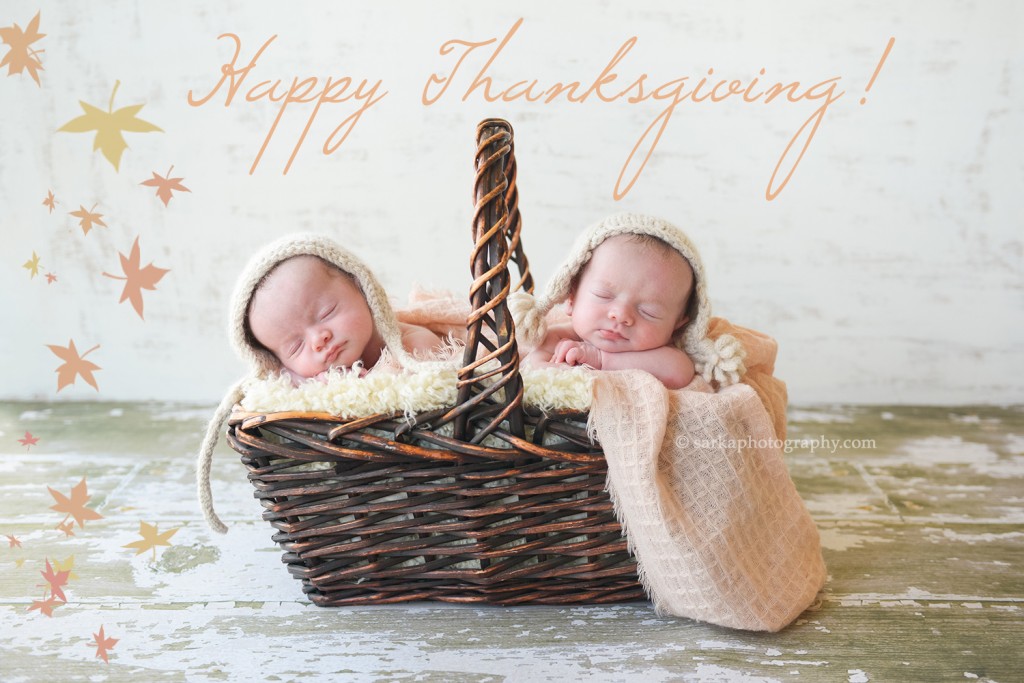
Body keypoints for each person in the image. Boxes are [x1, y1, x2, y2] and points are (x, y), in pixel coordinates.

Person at [513, 213, 746, 390]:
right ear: (572, 297)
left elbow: (680, 372)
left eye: (649, 312)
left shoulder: (664, 354)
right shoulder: (560, 338)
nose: (621, 315)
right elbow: (531, 372)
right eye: (604, 296)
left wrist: (600, 360)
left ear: (678, 325)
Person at [246, 254, 442, 383]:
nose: (318, 340)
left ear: (361, 288)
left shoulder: (413, 344)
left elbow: (432, 388)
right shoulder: (297, 380)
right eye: (295, 346)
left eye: (326, 313)